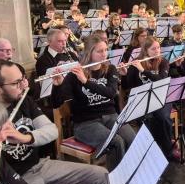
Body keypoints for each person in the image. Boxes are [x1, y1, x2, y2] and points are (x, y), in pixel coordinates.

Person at [52, 37, 135, 170]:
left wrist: (86, 82)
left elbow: (110, 93)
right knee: (116, 142)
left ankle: (131, 173)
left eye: (106, 50)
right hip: (86, 123)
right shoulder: (75, 73)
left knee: (132, 138)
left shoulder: (110, 69)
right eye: (99, 51)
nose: (104, 54)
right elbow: (56, 103)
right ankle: (115, 183)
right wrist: (57, 85)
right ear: (89, 53)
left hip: (110, 116)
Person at [126, 38, 178, 162]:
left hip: (162, 95)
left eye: (158, 48)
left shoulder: (163, 61)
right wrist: (125, 72)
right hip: (144, 97)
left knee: (163, 117)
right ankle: (152, 149)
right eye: (153, 49)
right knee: (149, 118)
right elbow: (129, 84)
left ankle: (168, 150)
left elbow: (161, 79)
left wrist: (143, 71)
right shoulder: (137, 62)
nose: (157, 51)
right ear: (145, 51)